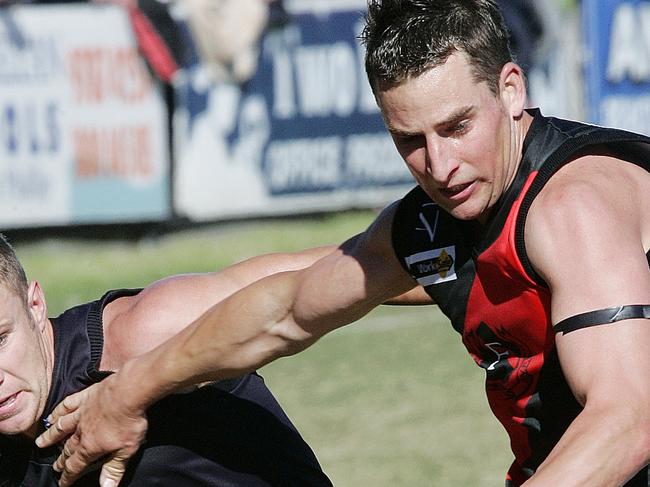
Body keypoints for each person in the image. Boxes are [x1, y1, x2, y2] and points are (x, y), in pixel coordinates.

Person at [38, 1, 650, 486]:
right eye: (410, 139)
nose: (441, 165)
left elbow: (628, 420)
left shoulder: (575, 206)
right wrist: (129, 390)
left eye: (457, 126)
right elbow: (279, 312)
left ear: (511, 91)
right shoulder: (432, 226)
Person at [0, 234, 334, 486]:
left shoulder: (142, 332)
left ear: (36, 305)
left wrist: (389, 250)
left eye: (1, 339)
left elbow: (354, 271)